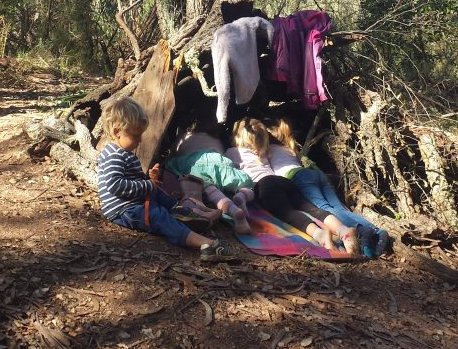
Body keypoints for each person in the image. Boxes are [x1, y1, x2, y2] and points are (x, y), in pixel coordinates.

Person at [96, 97, 231, 261]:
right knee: (159, 217)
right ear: (117, 132)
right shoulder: (114, 156)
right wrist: (147, 185)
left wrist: (149, 179)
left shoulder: (121, 153)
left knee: (158, 191)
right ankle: (206, 244)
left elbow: (131, 179)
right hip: (124, 209)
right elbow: (115, 185)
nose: (139, 140)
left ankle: (182, 212)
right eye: (135, 135)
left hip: (132, 201)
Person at [229, 118, 361, 256]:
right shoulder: (264, 152)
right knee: (312, 209)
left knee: (288, 212)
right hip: (284, 181)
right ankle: (342, 230)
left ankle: (319, 234)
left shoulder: (232, 152)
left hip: (264, 184)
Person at [264, 119, 390, 258]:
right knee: (339, 208)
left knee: (324, 210)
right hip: (316, 174)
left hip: (298, 178)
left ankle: (362, 230)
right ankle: (375, 231)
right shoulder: (289, 148)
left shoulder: (268, 151)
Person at [165, 126, 256, 234]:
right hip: (220, 161)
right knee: (246, 185)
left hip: (197, 163)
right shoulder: (216, 139)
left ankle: (234, 210)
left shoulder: (185, 137)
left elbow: (173, 154)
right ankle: (242, 195)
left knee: (210, 189)